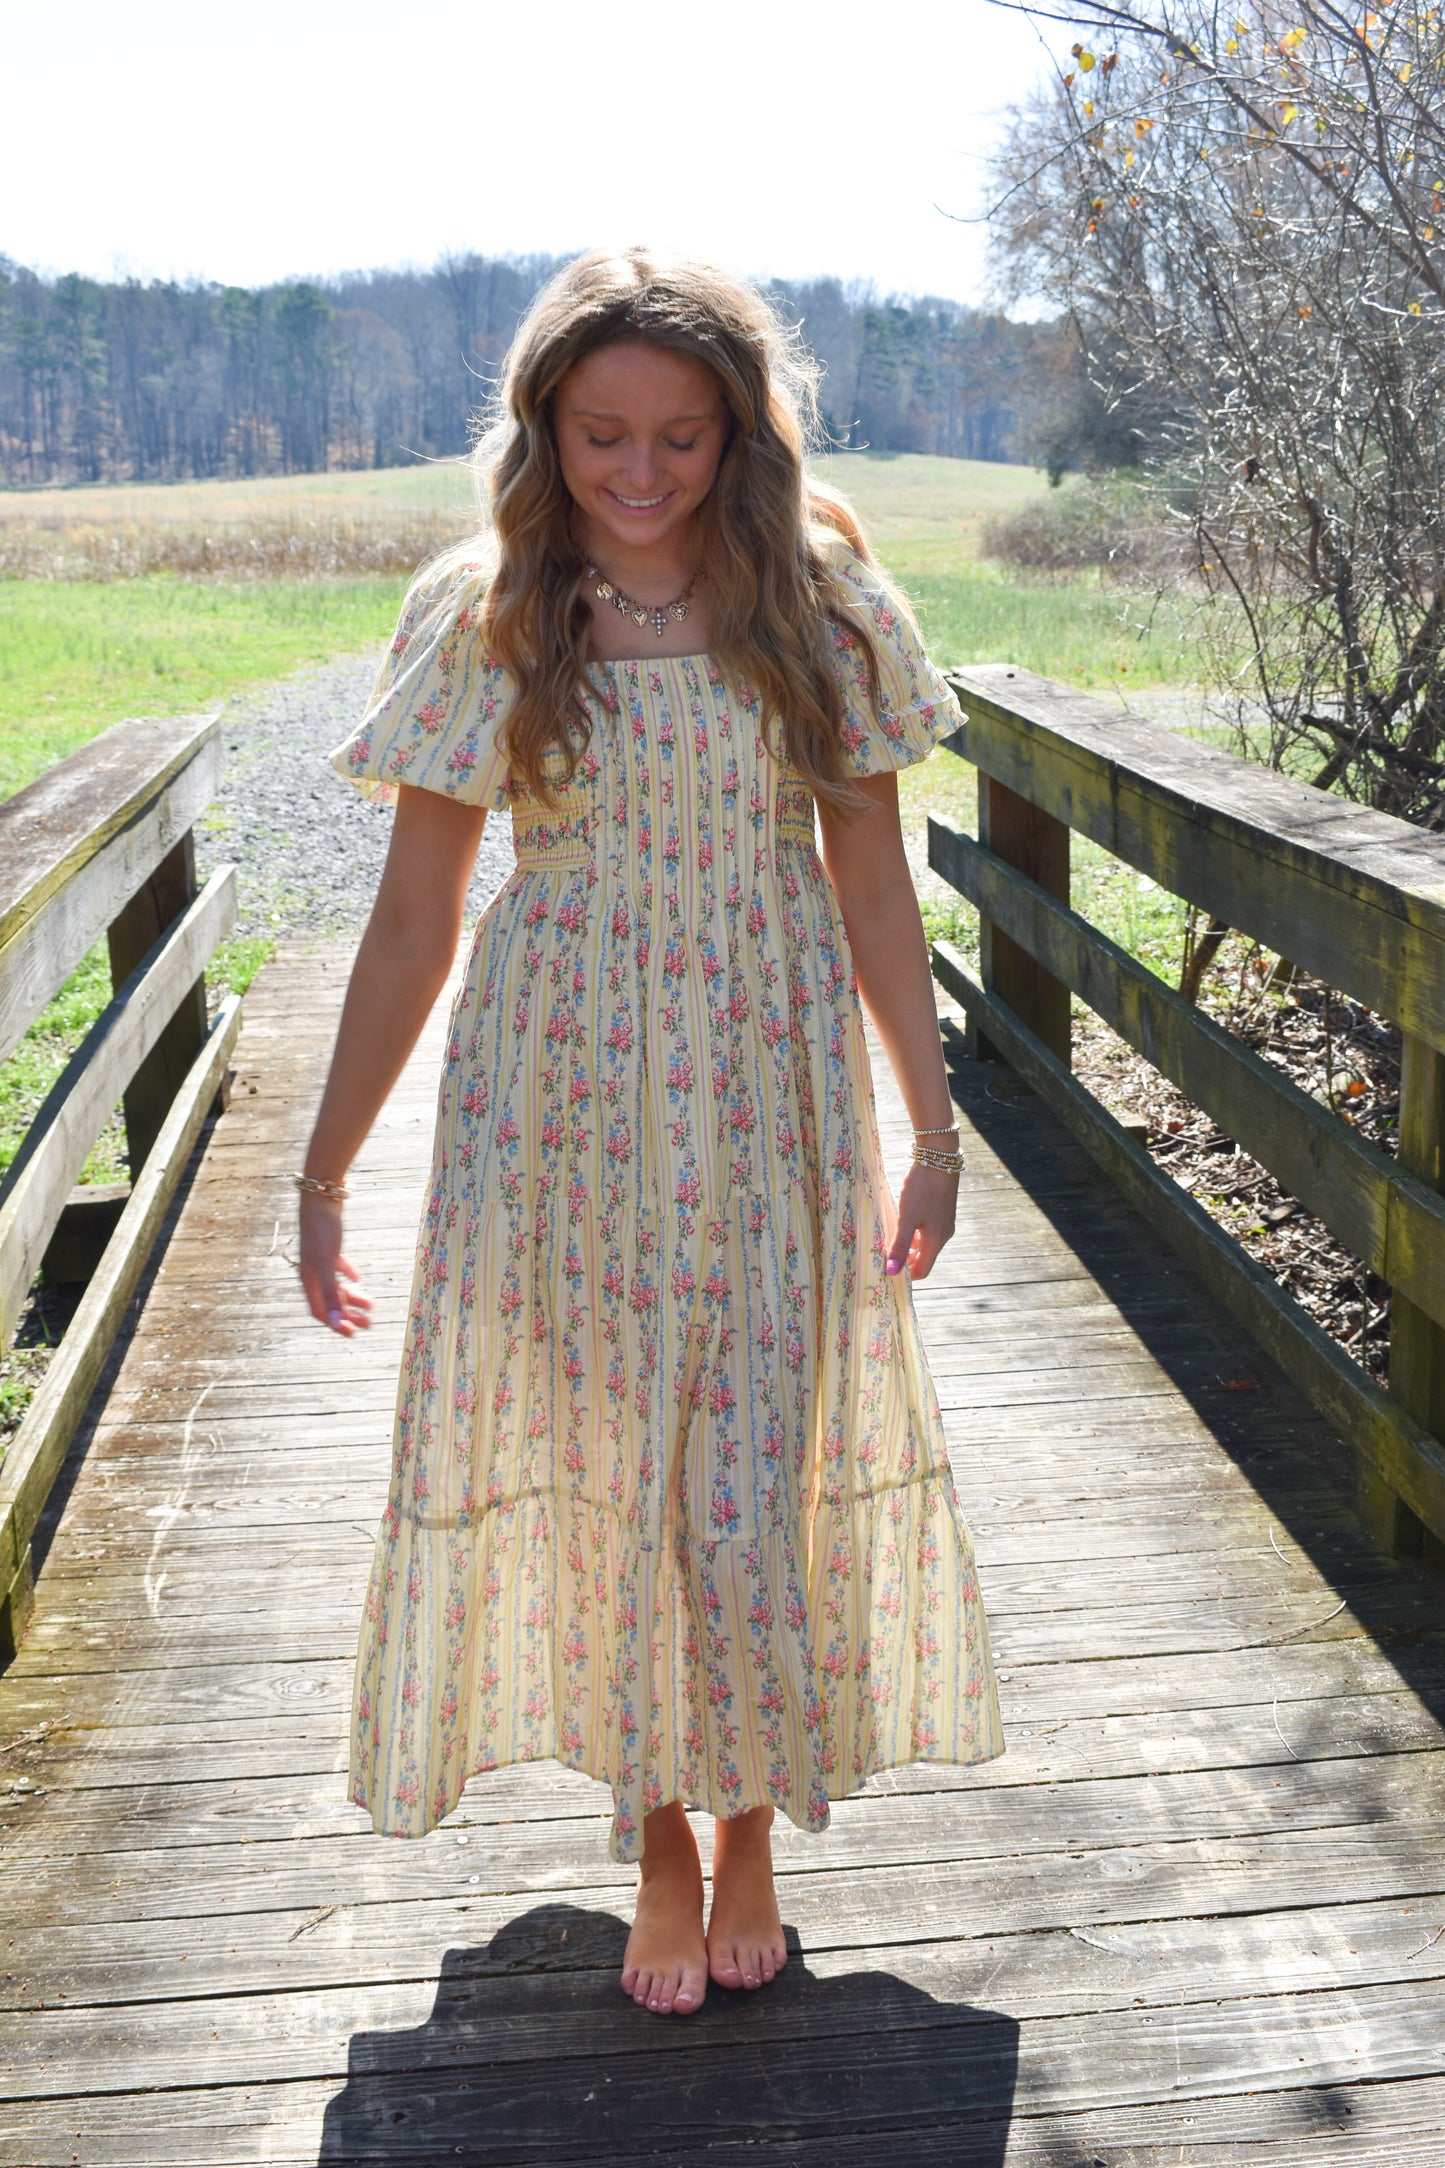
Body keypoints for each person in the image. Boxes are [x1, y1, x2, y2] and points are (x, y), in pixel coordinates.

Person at [299, 246, 1004, 2021]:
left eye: (680, 439)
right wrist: (318, 1175)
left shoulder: (820, 596)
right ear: (542, 425)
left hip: (769, 1084)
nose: (636, 473)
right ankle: (662, 1843)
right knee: (620, 1467)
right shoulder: (486, 607)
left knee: (752, 1454)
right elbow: (409, 916)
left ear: (737, 435)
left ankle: (751, 1816)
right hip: (556, 1096)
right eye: (601, 433)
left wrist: (930, 1125)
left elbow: (867, 876)